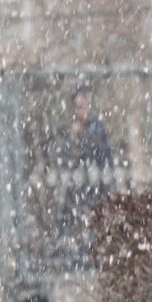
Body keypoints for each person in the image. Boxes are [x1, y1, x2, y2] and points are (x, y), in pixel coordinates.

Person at [53, 86, 114, 259]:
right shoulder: (71, 131)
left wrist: (84, 138)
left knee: (94, 219)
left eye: (81, 107)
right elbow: (66, 157)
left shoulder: (97, 128)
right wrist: (73, 140)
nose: (79, 112)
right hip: (77, 187)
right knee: (72, 217)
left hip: (96, 185)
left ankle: (94, 251)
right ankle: (73, 251)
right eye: (76, 107)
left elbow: (101, 153)